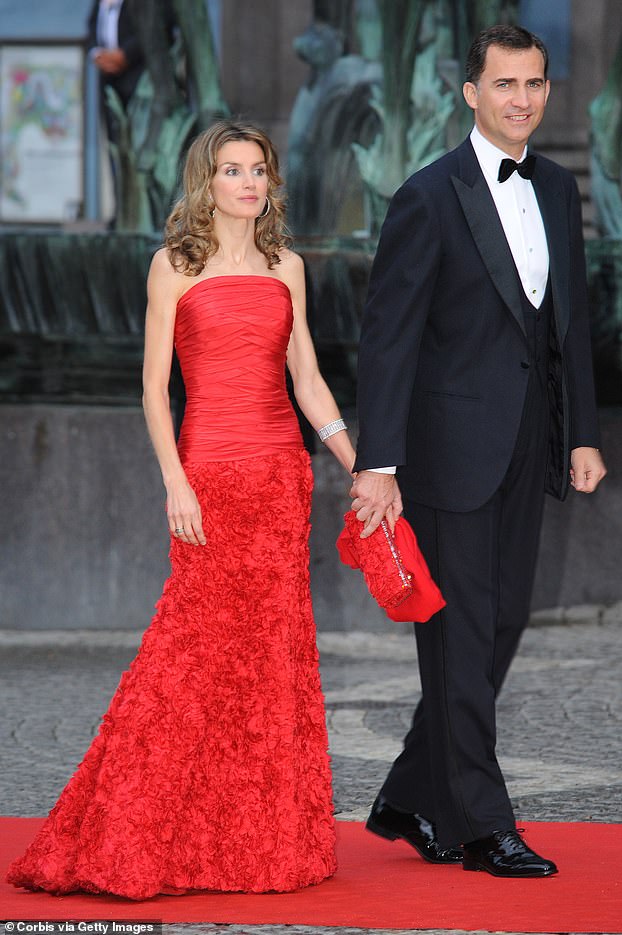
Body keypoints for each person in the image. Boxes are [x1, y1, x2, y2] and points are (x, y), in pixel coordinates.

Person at [7, 120, 355, 899]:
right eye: (233, 170)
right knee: (187, 654)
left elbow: (309, 381)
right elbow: (152, 388)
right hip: (208, 477)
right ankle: (131, 830)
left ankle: (255, 842)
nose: (249, 183)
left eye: (258, 169)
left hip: (277, 480)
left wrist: (358, 465)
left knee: (270, 660)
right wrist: (175, 481)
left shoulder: (288, 266)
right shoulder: (172, 265)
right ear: (207, 181)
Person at [350, 25, 606, 878]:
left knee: (500, 624)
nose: (523, 100)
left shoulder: (560, 189)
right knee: (461, 633)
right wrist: (377, 461)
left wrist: (583, 432)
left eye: (535, 84)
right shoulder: (428, 195)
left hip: (529, 445)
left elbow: (569, 322)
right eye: (505, 85)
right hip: (447, 450)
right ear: (471, 92)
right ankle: (481, 824)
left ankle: (407, 795)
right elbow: (388, 338)